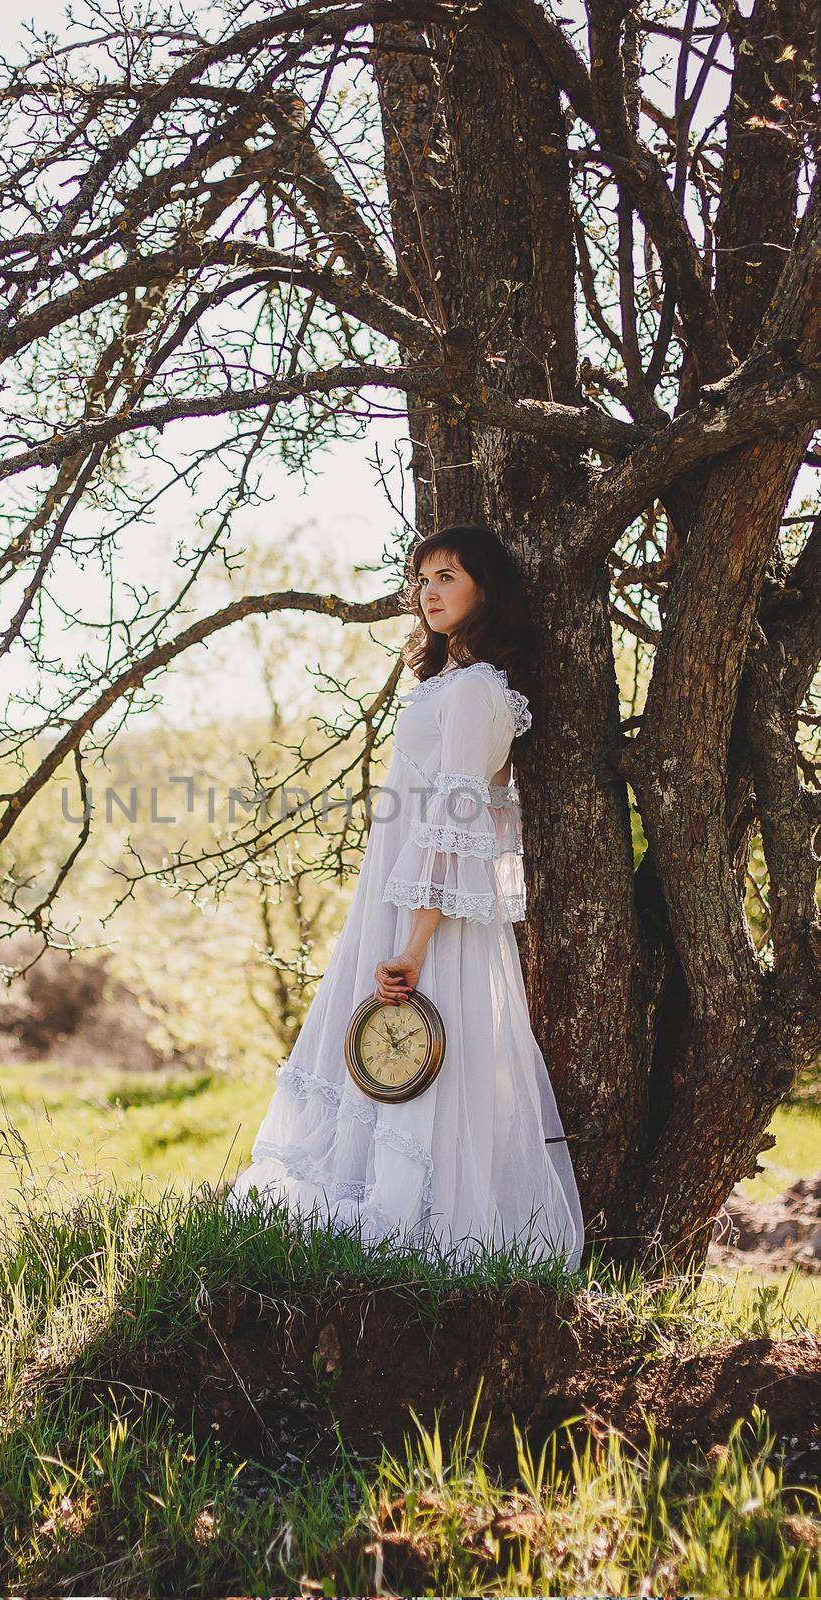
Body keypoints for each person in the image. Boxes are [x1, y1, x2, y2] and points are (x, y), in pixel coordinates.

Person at [224, 523, 586, 1273]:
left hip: (433, 913)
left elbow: (459, 820)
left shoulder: (481, 690)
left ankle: (414, 1220)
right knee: (390, 1059)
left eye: (448, 577)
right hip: (399, 892)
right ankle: (378, 1201)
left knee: (426, 1050)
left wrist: (414, 945)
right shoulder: (447, 683)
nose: (429, 591)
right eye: (422, 578)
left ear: (484, 589)